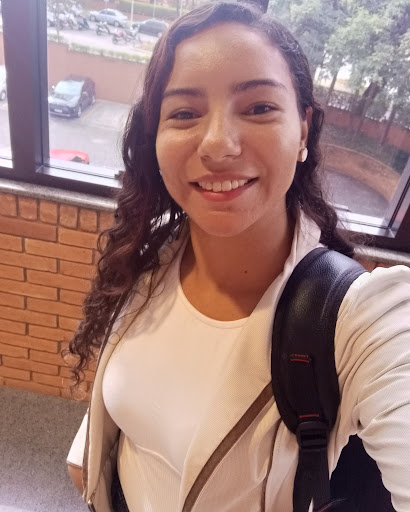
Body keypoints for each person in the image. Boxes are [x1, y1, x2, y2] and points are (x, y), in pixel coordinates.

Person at [65, 2, 410, 511]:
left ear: (303, 130)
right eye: (184, 113)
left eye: (258, 107)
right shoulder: (154, 252)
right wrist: (89, 456)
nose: (218, 145)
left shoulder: (362, 321)